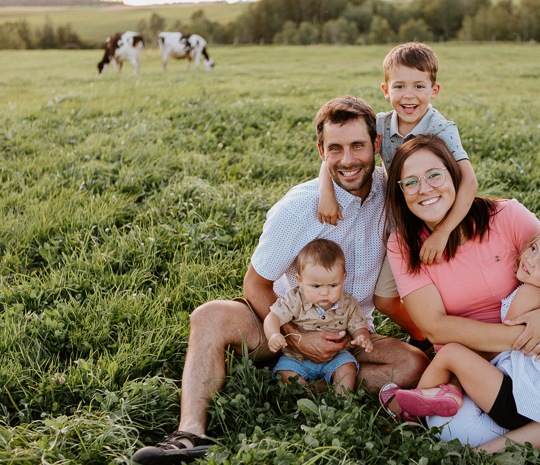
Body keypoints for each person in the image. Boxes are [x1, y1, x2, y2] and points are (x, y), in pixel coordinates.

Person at [132, 96, 429, 465]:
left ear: (377, 146)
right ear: (321, 151)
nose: (348, 159)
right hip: (284, 325)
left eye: (357, 146)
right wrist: (297, 337)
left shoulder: (393, 194)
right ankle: (190, 433)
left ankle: (299, 386)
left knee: (412, 364)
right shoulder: (297, 208)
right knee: (208, 315)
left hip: (350, 333)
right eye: (335, 148)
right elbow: (255, 285)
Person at [380, 134, 540, 452]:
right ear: (400, 193)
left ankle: (496, 449)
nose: (424, 189)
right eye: (410, 182)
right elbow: (434, 327)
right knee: (456, 430)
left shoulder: (506, 215)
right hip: (471, 373)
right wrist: (526, 337)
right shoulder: (403, 246)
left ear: (455, 176)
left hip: (537, 365)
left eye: (434, 175)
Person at [316, 42, 479, 350]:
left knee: (450, 291)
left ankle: (459, 340)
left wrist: (443, 233)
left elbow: (469, 182)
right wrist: (327, 191)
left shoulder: (441, 129)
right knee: (385, 298)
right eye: (399, 86)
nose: (409, 95)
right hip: (401, 224)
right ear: (385, 89)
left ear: (435, 89)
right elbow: (337, 151)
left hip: (439, 221)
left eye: (419, 85)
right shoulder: (379, 124)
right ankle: (423, 337)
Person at [394, 219, 540, 432]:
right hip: (530, 399)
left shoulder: (529, 294)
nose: (530, 260)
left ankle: (408, 414)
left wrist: (464, 364)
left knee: (450, 353)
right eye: (533, 248)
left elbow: (501, 344)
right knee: (457, 357)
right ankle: (447, 391)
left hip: (517, 400)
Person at [264, 238, 374, 395]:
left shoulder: (348, 303)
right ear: (300, 281)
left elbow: (358, 325)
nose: (324, 292)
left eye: (333, 285)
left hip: (335, 357)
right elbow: (273, 317)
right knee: (287, 373)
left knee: (347, 367)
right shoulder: (295, 299)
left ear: (343, 278)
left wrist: (362, 336)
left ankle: (343, 402)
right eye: (316, 286)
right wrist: (274, 334)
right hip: (296, 358)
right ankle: (306, 402)